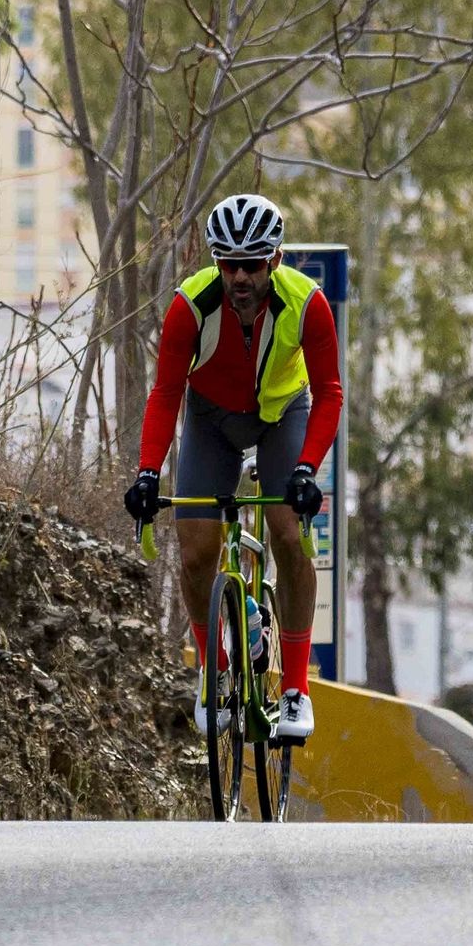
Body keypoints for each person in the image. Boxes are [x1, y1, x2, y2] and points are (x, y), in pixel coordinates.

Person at [124, 192, 341, 744]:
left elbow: (331, 393)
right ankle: (212, 670)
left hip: (281, 416)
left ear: (276, 259)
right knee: (195, 548)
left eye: (252, 264)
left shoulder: (308, 304)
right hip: (211, 419)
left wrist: (306, 471)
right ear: (214, 260)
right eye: (229, 264)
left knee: (288, 535)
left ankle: (294, 689)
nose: (240, 277)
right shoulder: (190, 307)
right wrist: (148, 472)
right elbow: (166, 392)